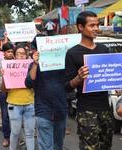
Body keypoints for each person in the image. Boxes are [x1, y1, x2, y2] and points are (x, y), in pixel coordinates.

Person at [65, 11, 121, 150]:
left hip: (105, 108)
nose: (97, 28)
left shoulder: (104, 49)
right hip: (86, 110)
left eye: (98, 25)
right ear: (80, 27)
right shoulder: (73, 53)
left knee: (106, 146)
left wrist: (116, 85)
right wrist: (78, 78)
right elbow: (66, 86)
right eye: (92, 25)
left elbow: (110, 74)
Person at [25, 34, 68, 150]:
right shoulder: (34, 65)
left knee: (58, 146)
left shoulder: (62, 63)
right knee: (45, 146)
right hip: (43, 110)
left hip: (61, 109)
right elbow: (29, 83)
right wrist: (35, 64)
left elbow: (70, 83)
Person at [1, 45, 35, 150]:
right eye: (18, 54)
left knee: (30, 133)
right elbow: (3, 90)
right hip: (14, 105)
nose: (21, 56)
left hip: (29, 103)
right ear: (14, 56)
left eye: (23, 53)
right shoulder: (8, 67)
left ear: (27, 55)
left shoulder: (32, 67)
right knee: (15, 132)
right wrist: (4, 77)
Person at [0, 42, 13, 147]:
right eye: (8, 52)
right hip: (3, 93)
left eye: (11, 52)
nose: (10, 54)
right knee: (5, 116)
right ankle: (6, 137)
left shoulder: (17, 62)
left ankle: (16, 136)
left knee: (15, 117)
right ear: (4, 53)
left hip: (14, 92)